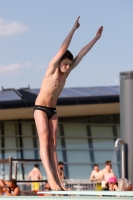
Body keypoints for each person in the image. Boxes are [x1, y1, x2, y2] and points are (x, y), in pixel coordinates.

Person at [34, 16, 103, 190]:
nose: (67, 67)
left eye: (68, 65)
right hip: (40, 109)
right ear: (59, 62)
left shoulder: (67, 71)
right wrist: (74, 28)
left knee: (54, 143)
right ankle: (50, 176)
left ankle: (59, 181)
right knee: (45, 142)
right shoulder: (52, 68)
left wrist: (95, 38)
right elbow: (64, 48)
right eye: (64, 64)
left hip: (53, 110)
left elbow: (81, 53)